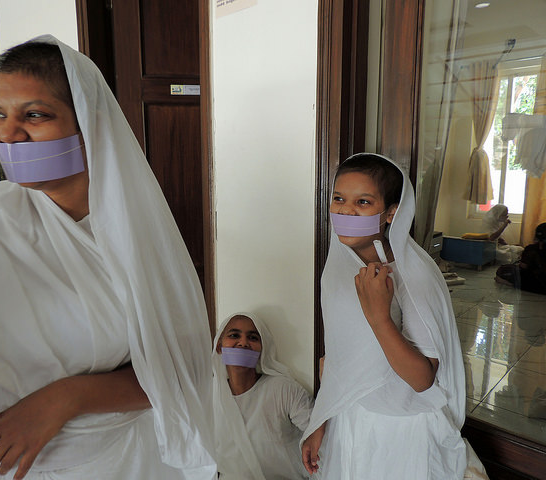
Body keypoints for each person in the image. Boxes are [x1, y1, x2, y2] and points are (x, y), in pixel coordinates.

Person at [0, 36, 216, 479]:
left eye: (35, 114)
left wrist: (66, 398)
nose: (6, 134)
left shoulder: (134, 231)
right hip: (6, 461)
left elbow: (181, 367)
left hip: (122, 459)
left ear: (88, 124)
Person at [300, 153, 488, 479]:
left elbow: (422, 378)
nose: (345, 210)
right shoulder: (337, 268)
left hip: (400, 431)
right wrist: (322, 417)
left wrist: (379, 317)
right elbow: (342, 357)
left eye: (363, 202)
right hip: (351, 419)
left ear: (390, 213)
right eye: (339, 198)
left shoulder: (412, 276)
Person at [213, 312, 313, 479]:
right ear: (219, 346)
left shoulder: (282, 389)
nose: (243, 343)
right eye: (234, 335)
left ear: (262, 348)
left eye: (252, 338)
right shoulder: (208, 396)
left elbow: (319, 435)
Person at [495, 222, 546, 294]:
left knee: (504, 270)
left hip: (537, 283)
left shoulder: (531, 249)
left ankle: (510, 284)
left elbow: (523, 266)